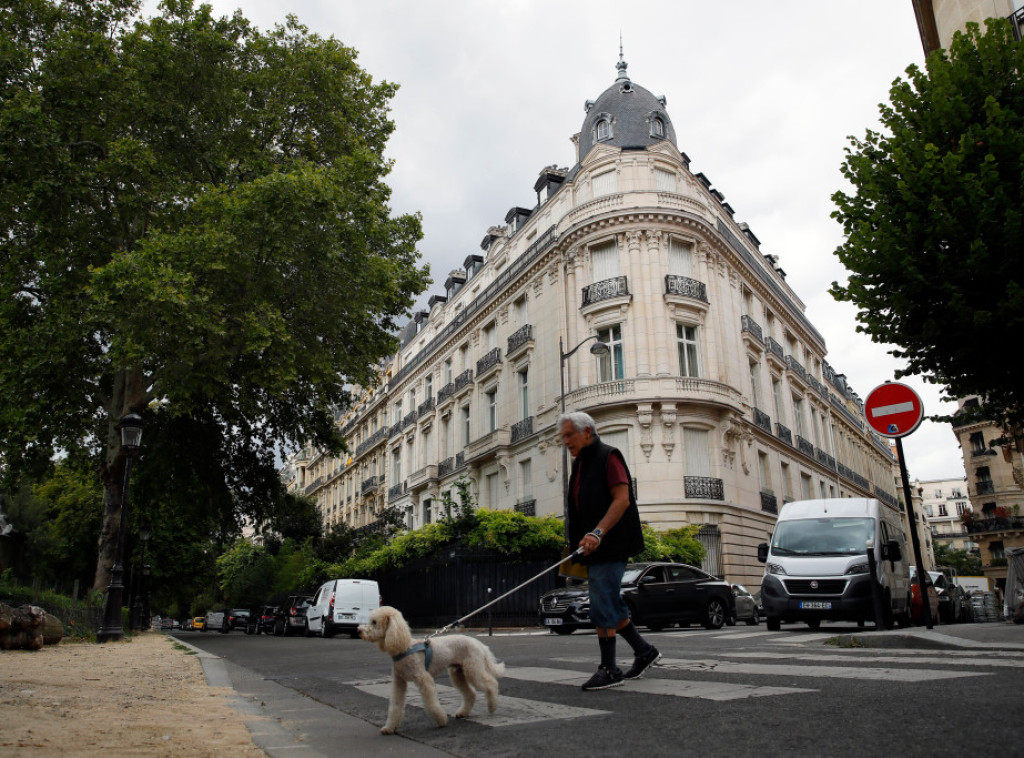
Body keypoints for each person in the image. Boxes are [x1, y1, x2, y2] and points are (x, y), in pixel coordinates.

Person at [560, 411, 660, 690]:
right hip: (592, 546)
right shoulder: (580, 464)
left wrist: (597, 532)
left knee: (602, 602)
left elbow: (622, 500)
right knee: (607, 601)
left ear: (587, 432)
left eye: (569, 435)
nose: (565, 441)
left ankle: (610, 669)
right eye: (563, 436)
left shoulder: (609, 456)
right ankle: (644, 651)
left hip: (612, 542)